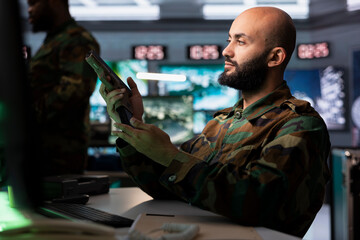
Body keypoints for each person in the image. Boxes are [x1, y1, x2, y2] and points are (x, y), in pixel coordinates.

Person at [100, 7, 330, 238]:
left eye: (241, 42)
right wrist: (130, 121)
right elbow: (166, 187)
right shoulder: (221, 123)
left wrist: (171, 155)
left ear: (275, 57)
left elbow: (259, 201)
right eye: (229, 40)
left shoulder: (300, 125)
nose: (226, 51)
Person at [27, 0, 100, 175]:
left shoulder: (77, 40)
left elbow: (74, 91)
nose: (29, 11)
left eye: (33, 3)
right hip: (41, 149)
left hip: (59, 154)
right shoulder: (56, 40)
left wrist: (24, 117)